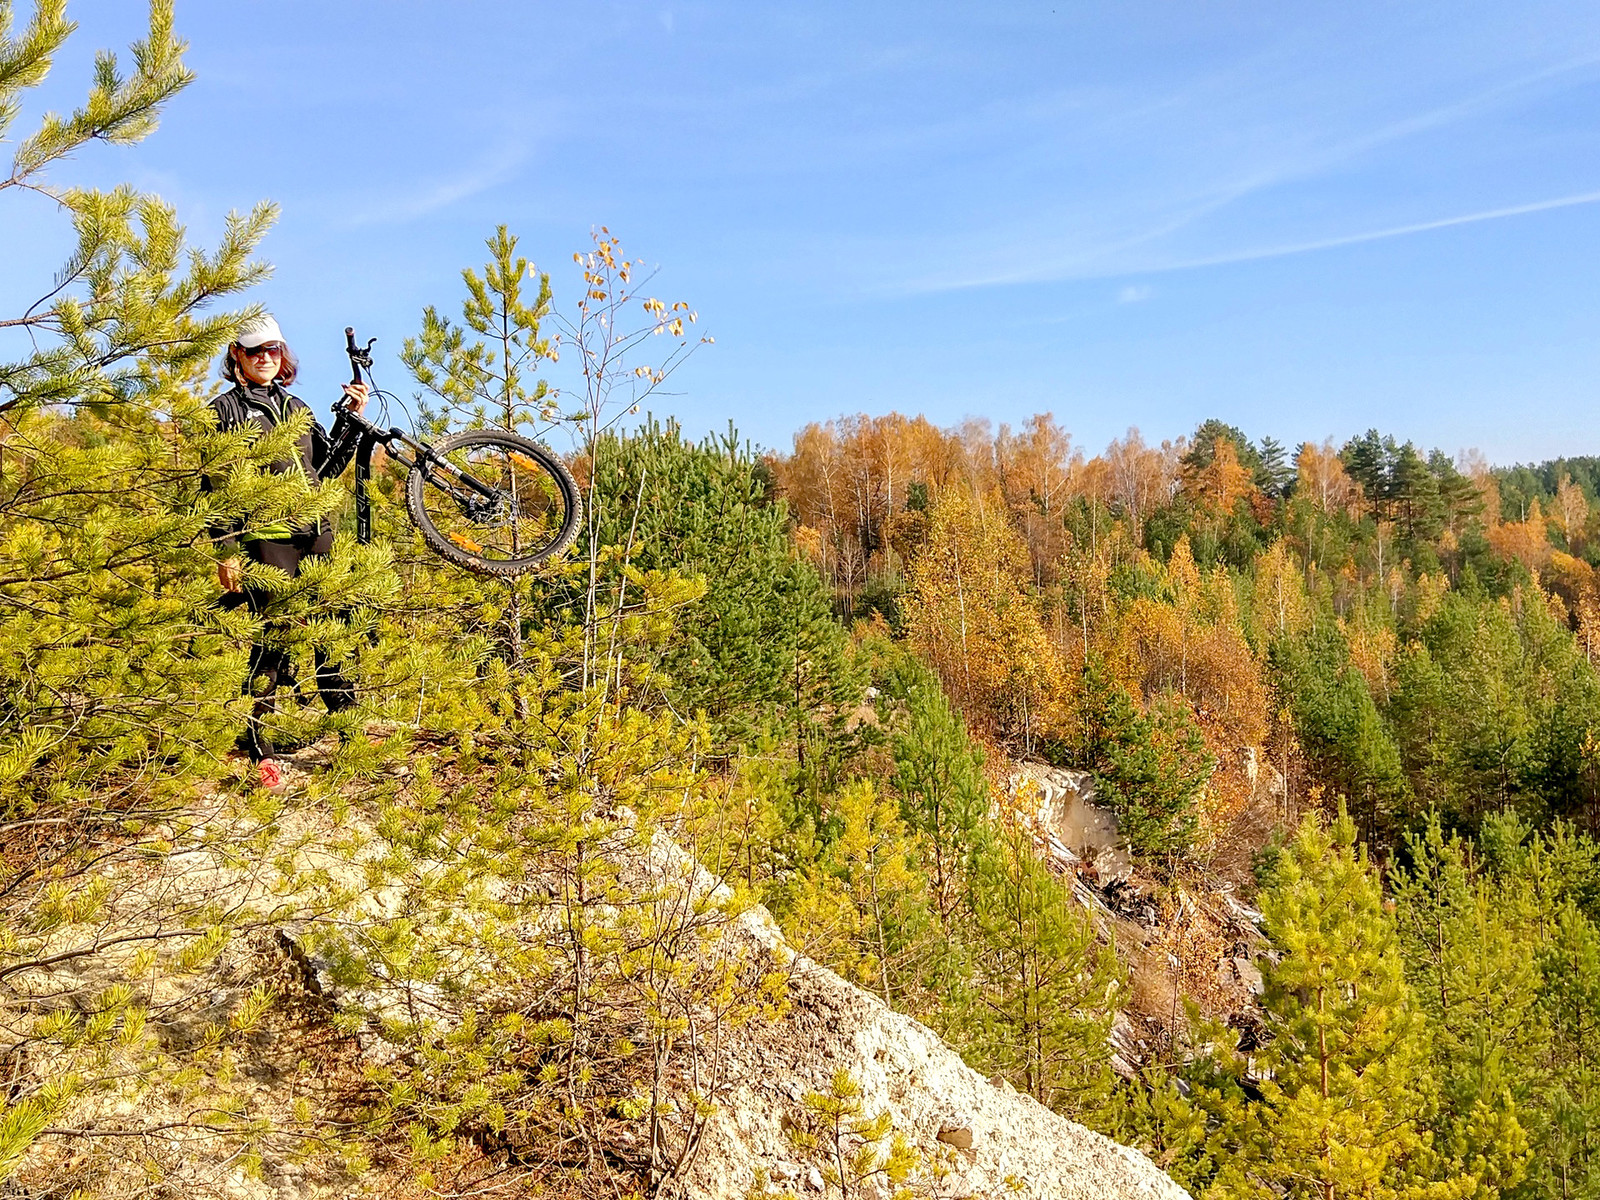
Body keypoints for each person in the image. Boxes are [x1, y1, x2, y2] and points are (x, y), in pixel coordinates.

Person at [208, 315, 370, 790]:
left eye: (273, 351)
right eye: (256, 351)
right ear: (236, 354)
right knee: (274, 639)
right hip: (267, 535)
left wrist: (352, 420)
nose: (265, 358)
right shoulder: (222, 411)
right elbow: (216, 482)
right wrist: (226, 548)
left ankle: (349, 730)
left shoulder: (295, 406)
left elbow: (328, 465)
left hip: (316, 530)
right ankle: (261, 750)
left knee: (332, 632)